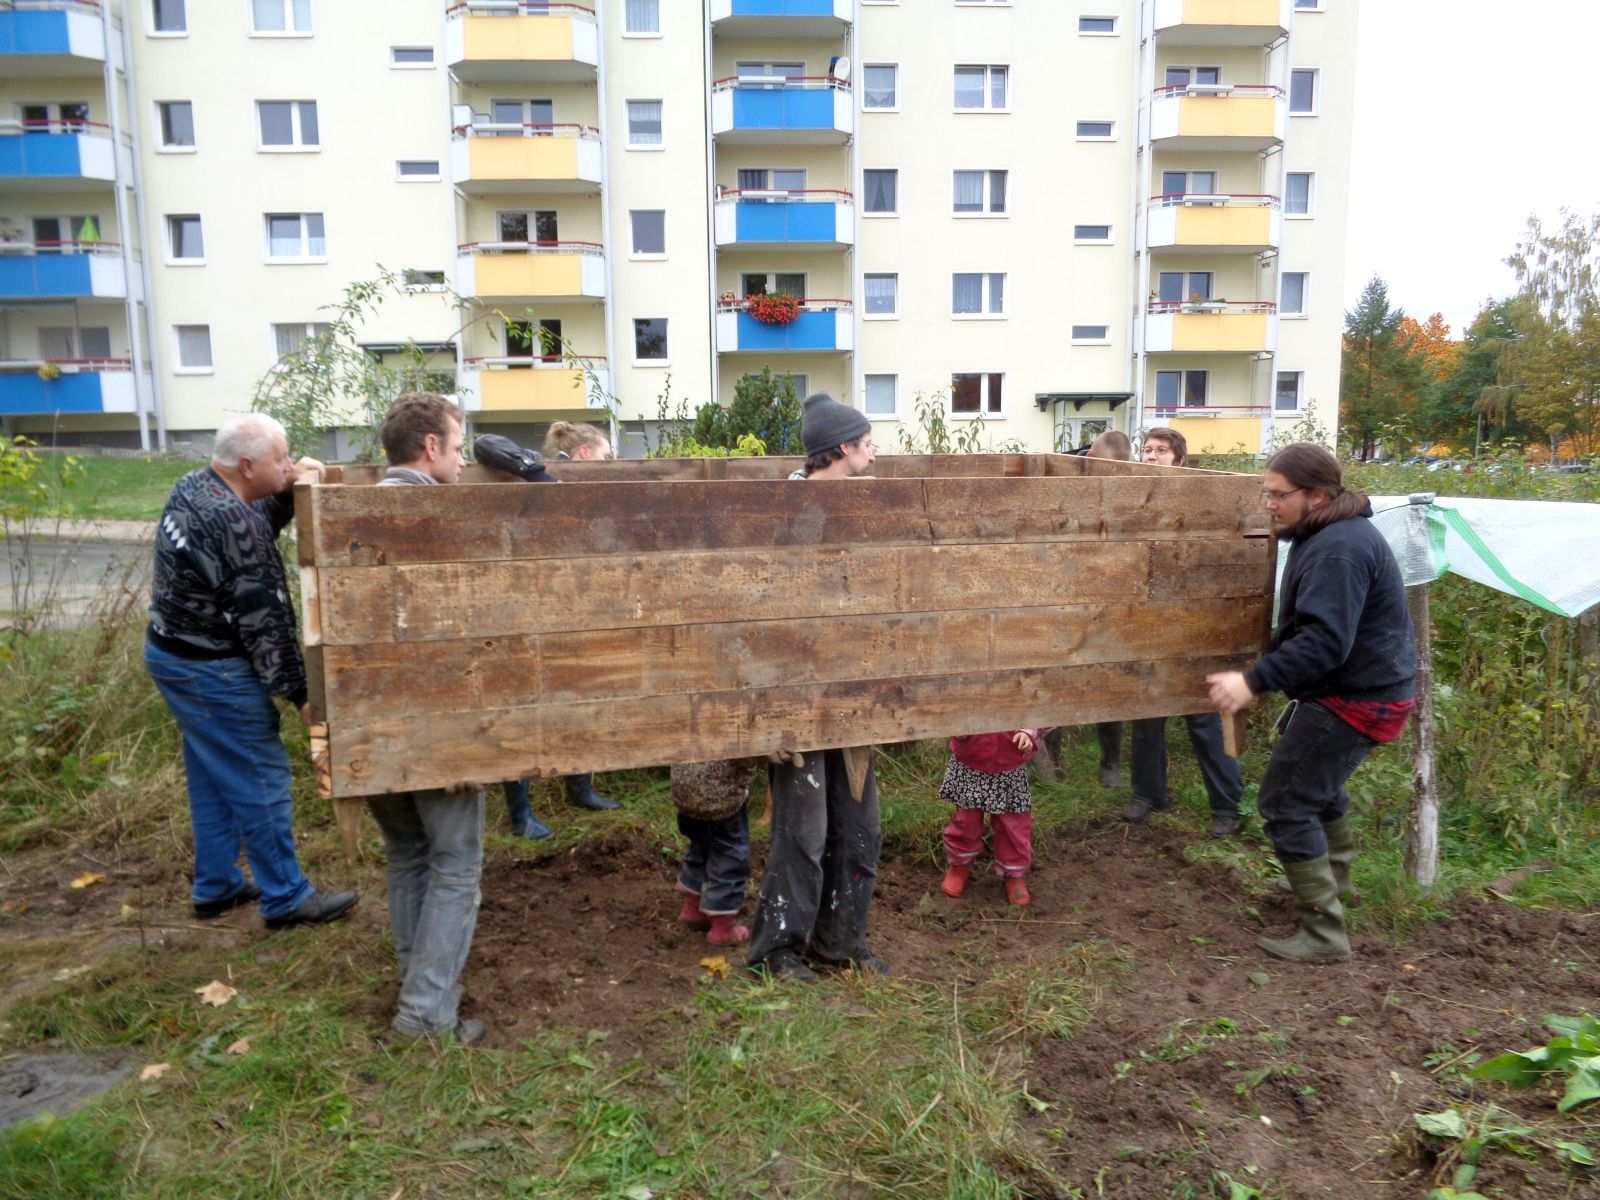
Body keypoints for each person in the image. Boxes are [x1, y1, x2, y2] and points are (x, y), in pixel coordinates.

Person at [144, 414, 358, 928]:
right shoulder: (232, 522)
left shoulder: (198, 485)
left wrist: (284, 489)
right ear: (246, 465)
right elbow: (270, 626)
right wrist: (304, 699)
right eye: (281, 458)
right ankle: (286, 896)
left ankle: (215, 886)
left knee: (215, 776)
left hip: (171, 654)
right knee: (261, 776)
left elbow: (247, 528)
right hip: (209, 668)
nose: (289, 463)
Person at [1207, 444, 1416, 963]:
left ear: (1316, 495)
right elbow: (1309, 629)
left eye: (1278, 495)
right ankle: (1331, 897)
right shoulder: (1323, 533)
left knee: (1286, 802)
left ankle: (1322, 934)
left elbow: (1325, 642)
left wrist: (1253, 681)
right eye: (1267, 493)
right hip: (1360, 689)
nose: (1269, 505)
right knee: (1318, 794)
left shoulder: (1338, 549)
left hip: (1357, 699)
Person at [748, 393, 887, 981]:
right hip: (797, 700)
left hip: (852, 697)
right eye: (868, 443)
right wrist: (766, 712)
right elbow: (758, 615)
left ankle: (840, 940)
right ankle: (776, 950)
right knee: (802, 830)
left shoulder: (865, 509)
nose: (875, 455)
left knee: (860, 826)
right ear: (842, 448)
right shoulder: (783, 512)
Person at [365, 393, 487, 1044]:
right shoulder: (432, 519)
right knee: (456, 862)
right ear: (430, 447)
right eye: (460, 445)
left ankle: (419, 989)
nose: (465, 460)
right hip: (433, 725)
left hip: (370, 723)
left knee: (408, 854)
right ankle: (425, 1016)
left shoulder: (351, 509)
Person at [1121, 426, 1247, 836]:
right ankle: (1148, 793)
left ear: (1179, 458)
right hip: (1145, 625)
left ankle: (1226, 806)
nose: (1151, 456)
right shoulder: (1130, 498)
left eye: (1161, 451)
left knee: (1205, 719)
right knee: (1145, 717)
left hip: (1194, 627)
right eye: (1147, 450)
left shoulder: (1200, 496)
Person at [938, 728, 1040, 907]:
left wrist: (1029, 732)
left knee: (1013, 827)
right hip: (971, 760)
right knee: (965, 821)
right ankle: (959, 866)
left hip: (1009, 762)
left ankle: (1013, 874)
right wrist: (959, 728)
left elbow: (1033, 705)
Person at [672, 758, 761, 946]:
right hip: (721, 799)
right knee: (729, 859)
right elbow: (752, 751)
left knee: (700, 846)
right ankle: (722, 929)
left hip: (686, 795)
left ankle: (693, 910)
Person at [544, 420, 612, 461]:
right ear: (584, 452)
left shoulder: (552, 473)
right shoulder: (564, 479)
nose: (608, 462)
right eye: (605, 457)